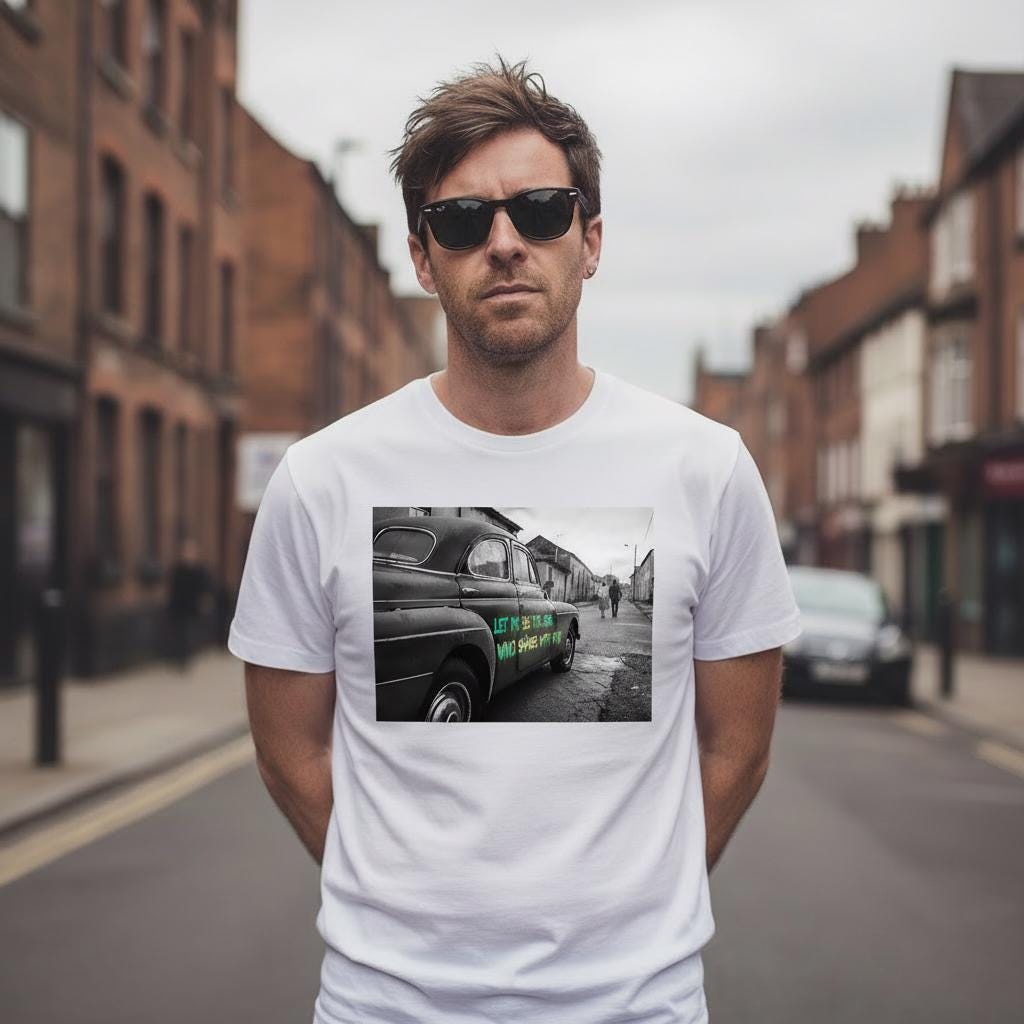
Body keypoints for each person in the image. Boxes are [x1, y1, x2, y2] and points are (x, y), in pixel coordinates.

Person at [228, 55, 802, 1024]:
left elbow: (735, 750)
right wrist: (403, 912)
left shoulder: (705, 467)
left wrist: (637, 910)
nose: (503, 242)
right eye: (461, 221)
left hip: (635, 1003)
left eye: (538, 211)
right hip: (386, 1004)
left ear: (590, 239)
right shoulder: (323, 477)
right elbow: (291, 753)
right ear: (423, 258)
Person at [166, 534, 211, 671]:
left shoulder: (198, 570)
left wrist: (203, 601)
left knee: (189, 633)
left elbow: (204, 587)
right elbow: (173, 588)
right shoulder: (178, 569)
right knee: (180, 633)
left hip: (191, 607)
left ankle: (186, 658)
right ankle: (181, 658)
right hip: (179, 607)